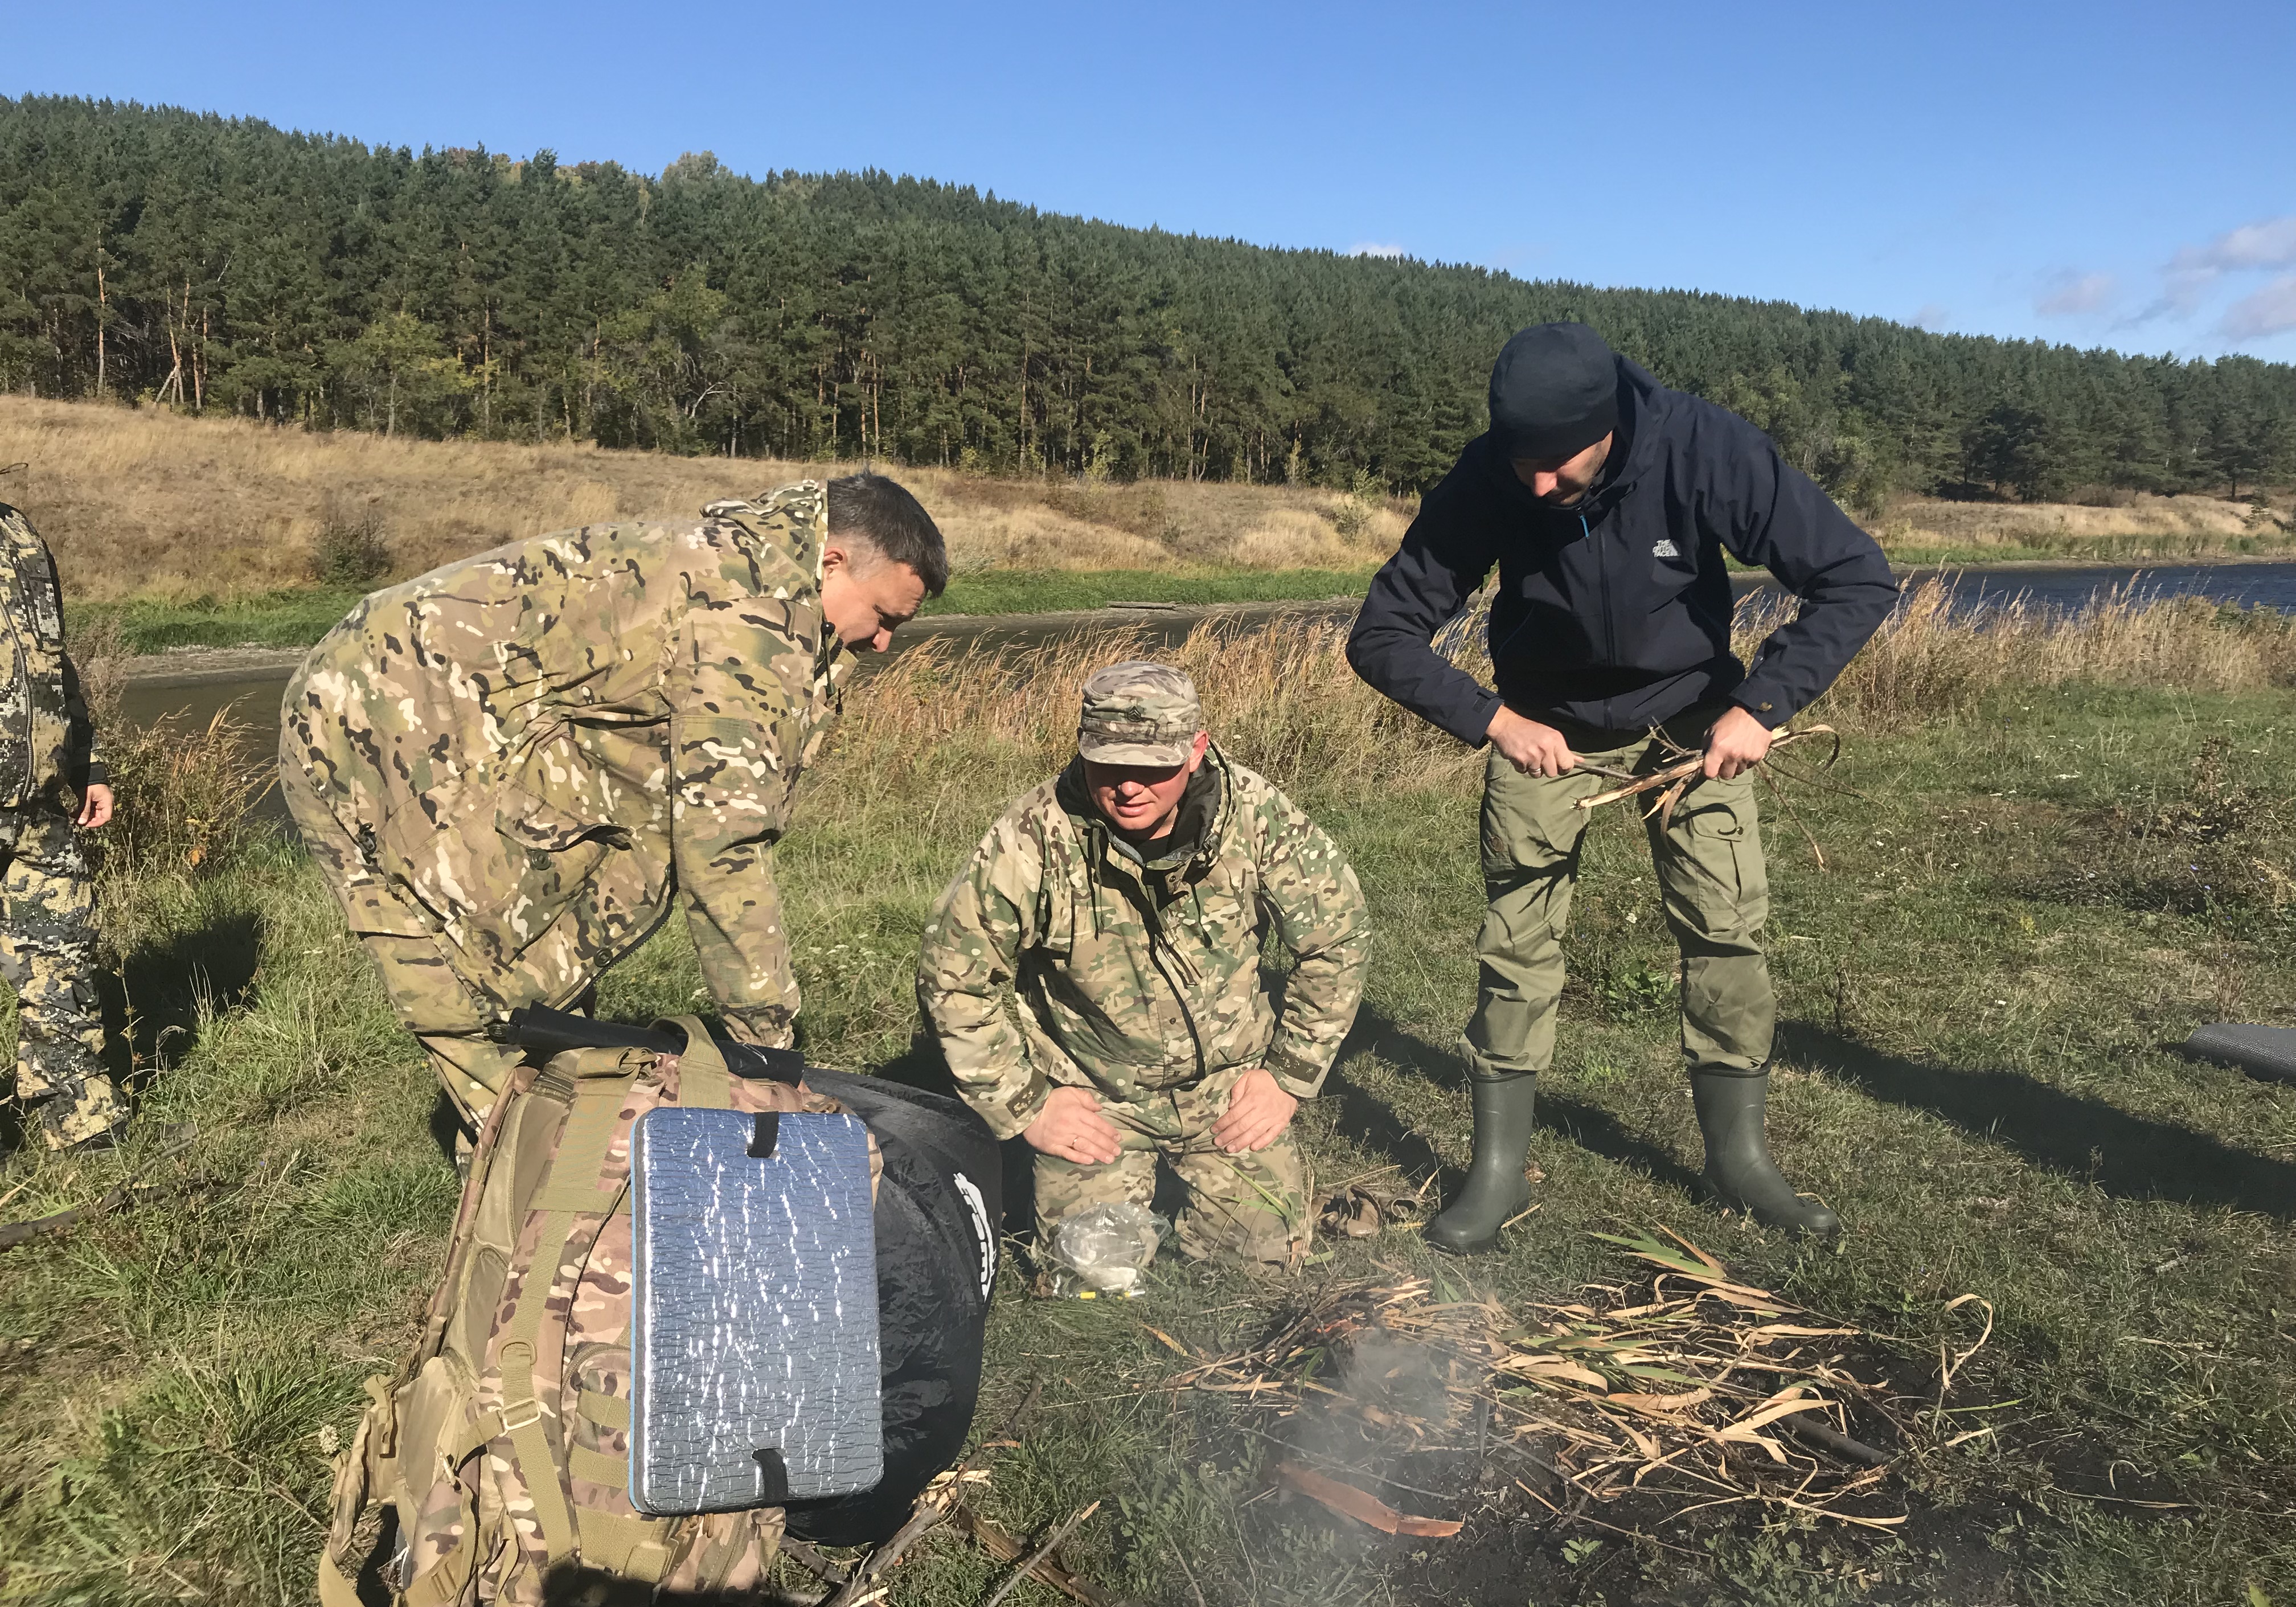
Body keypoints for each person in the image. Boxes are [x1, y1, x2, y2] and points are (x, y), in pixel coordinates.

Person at [1347, 323, 1897, 1252]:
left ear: (1607, 427)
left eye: (1556, 464)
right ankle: (1493, 1173)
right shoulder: (1491, 474)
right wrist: (1495, 720)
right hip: (1542, 729)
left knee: (1725, 931)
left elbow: (1854, 576)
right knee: (1516, 942)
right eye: (1519, 462)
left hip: (1694, 723)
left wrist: (1760, 705)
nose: (1534, 485)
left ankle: (1740, 1159)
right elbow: (1382, 633)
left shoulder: (1703, 447)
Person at [281, 474, 945, 1128]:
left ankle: (550, 1094)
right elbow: (723, 845)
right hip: (365, 715)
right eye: (884, 617)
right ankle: (526, 1178)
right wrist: (764, 1044)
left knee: (588, 903)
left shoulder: (764, 575)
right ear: (832, 562)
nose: (884, 642)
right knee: (451, 973)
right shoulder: (746, 617)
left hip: (469, 712)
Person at [917, 661, 1368, 1274]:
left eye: (1153, 767)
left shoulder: (1256, 815)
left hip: (1225, 1090)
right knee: (1090, 1276)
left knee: (1265, 1262)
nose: (1130, 787)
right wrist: (1027, 1104)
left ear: (1196, 751)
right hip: (1097, 1095)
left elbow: (1339, 937)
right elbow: (954, 978)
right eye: (1109, 764)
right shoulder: (1033, 837)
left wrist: (1287, 1076)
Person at [0, 490, 122, 1151]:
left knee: (62, 956)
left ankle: (78, 1124)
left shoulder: (17, 533)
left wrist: (89, 765)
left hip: (39, 804)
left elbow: (54, 666)